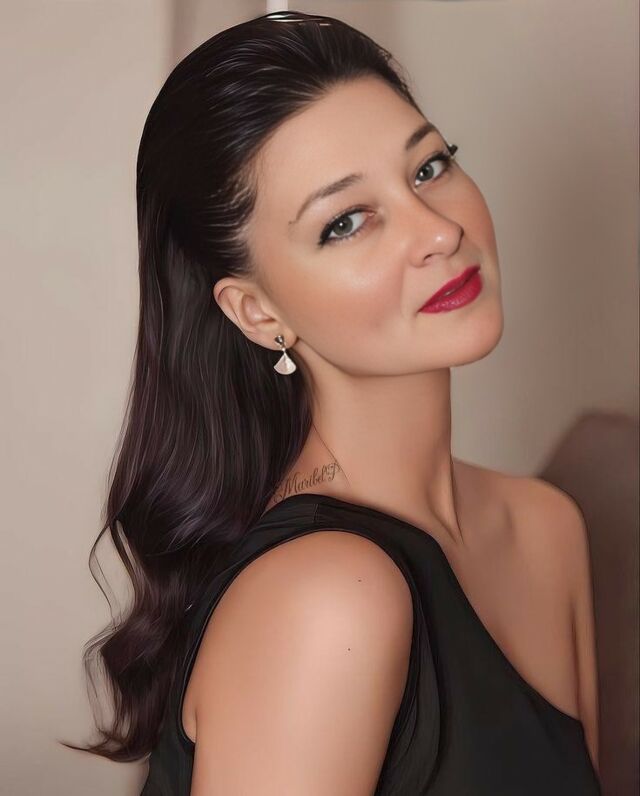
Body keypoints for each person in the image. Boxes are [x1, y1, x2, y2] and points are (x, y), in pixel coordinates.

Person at [64, 10, 602, 794]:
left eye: (428, 168)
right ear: (257, 313)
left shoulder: (547, 528)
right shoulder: (325, 602)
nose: (437, 231)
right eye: (345, 222)